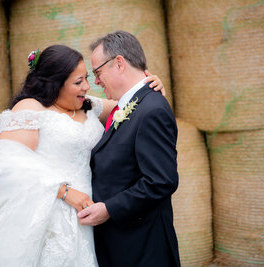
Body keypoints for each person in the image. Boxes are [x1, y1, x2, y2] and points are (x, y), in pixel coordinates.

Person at [0, 44, 165, 266]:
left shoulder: (86, 106)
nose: (87, 86)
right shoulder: (30, 108)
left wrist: (149, 85)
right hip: (51, 214)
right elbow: (10, 167)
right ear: (54, 83)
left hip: (89, 215)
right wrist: (64, 192)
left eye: (86, 78)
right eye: (78, 82)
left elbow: (132, 104)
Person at [77, 31, 181, 267]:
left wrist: (109, 209)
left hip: (143, 248)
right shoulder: (129, 105)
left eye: (97, 72)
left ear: (120, 64)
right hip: (121, 244)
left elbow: (162, 180)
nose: (96, 81)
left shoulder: (151, 109)